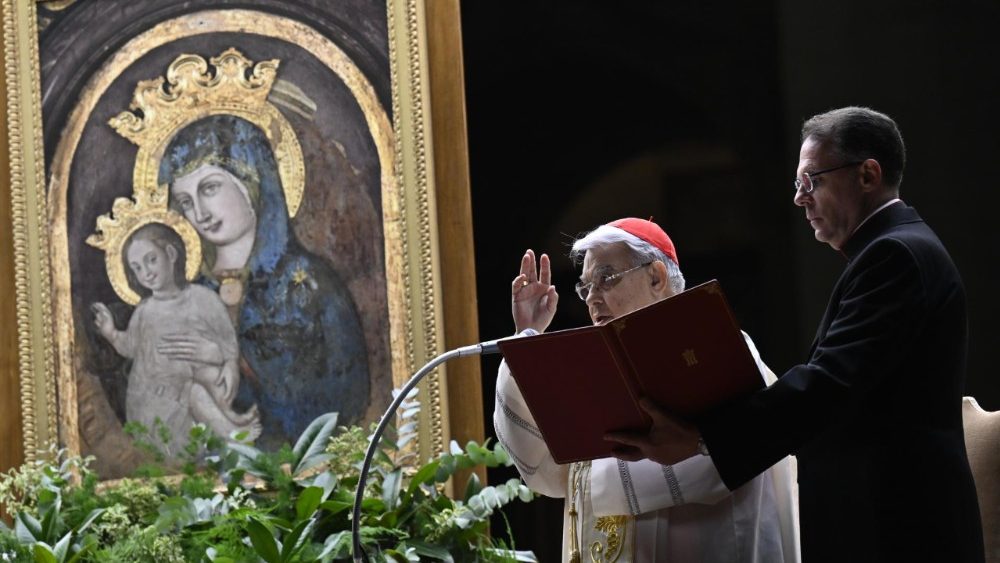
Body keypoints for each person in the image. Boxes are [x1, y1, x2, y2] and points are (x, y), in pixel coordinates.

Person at [607, 107, 985, 562]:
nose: (799, 199)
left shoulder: (895, 256)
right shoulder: (894, 250)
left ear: (868, 175)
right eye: (797, 185)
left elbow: (827, 386)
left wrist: (701, 437)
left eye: (813, 182)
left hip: (900, 523)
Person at [494, 218, 800, 562]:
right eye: (584, 288)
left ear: (656, 276)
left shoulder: (715, 347)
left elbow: (721, 460)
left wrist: (592, 467)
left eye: (605, 279)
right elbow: (548, 471)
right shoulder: (598, 377)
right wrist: (527, 339)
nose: (592, 299)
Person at [159, 115, 370, 449]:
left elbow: (347, 397)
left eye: (209, 188)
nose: (199, 212)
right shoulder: (189, 295)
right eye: (185, 201)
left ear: (253, 180)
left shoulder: (310, 284)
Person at [92, 222, 261, 454]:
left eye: (151, 260)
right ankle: (231, 433)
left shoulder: (204, 299)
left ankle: (232, 420)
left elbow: (227, 341)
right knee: (194, 391)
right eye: (137, 268)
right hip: (154, 401)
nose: (146, 272)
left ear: (171, 254)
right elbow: (130, 347)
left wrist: (229, 363)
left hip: (188, 386)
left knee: (211, 375)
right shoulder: (145, 311)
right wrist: (110, 332)